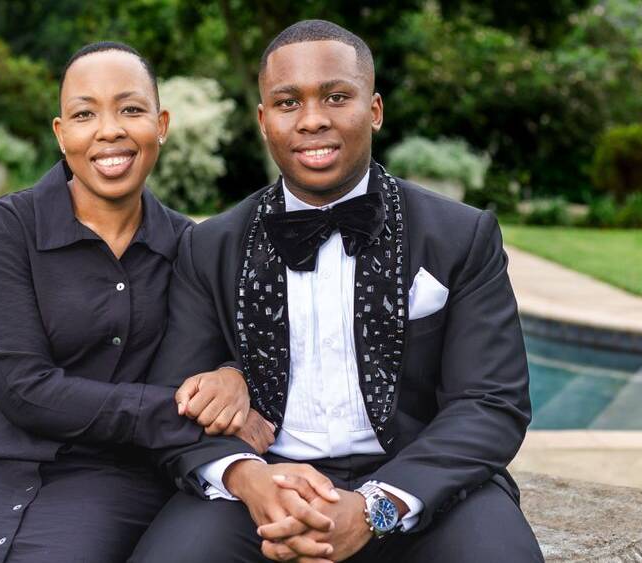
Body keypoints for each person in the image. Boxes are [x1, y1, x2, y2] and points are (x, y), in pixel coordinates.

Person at [131, 20, 544, 562]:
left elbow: (490, 402)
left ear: (374, 110)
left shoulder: (460, 236)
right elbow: (175, 399)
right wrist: (249, 478)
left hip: (421, 485)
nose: (312, 120)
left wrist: (376, 505)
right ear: (263, 120)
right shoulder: (210, 246)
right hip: (263, 487)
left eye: (336, 97)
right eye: (288, 103)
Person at [0, 42, 268, 563]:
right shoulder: (5, 226)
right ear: (61, 134)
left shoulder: (189, 246)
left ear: (161, 125)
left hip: (110, 476)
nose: (109, 130)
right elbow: (22, 387)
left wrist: (231, 374)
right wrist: (174, 415)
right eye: (85, 114)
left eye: (130, 109)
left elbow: (220, 350)